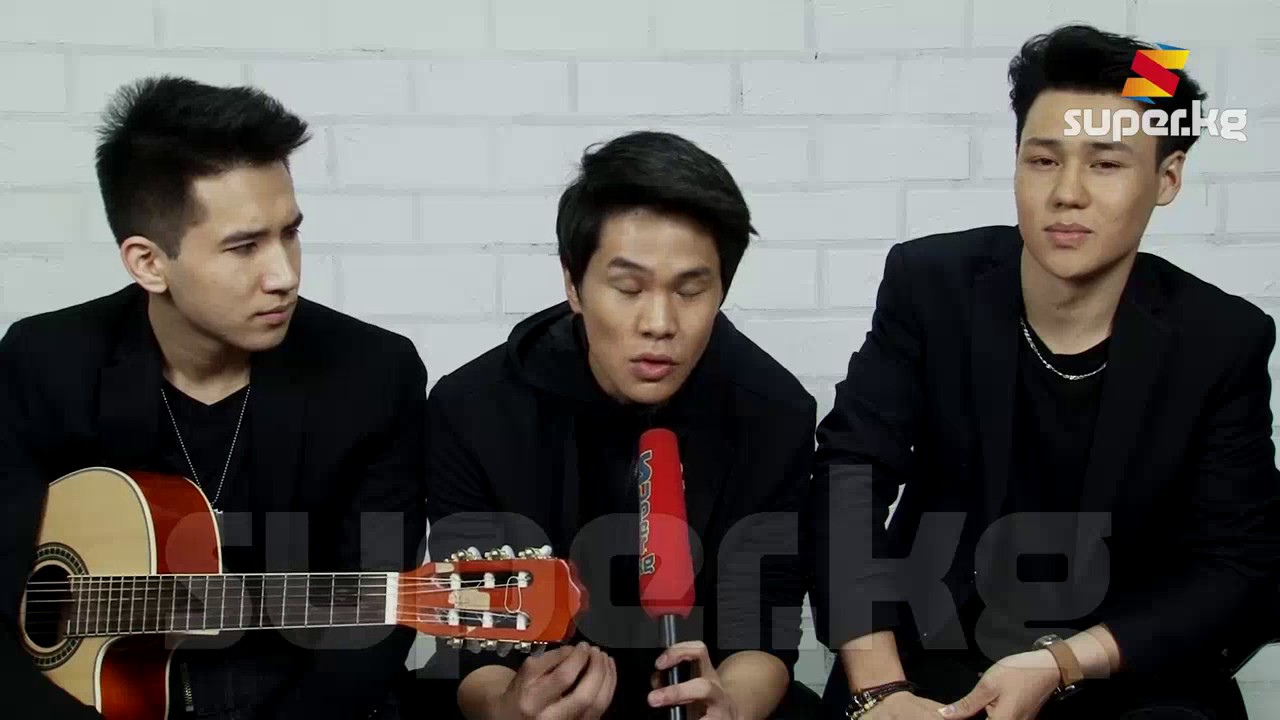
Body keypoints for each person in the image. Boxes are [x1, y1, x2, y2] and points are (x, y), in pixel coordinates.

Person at [812, 25, 1280, 720]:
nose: (1067, 192)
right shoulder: (931, 286)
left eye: (1106, 163)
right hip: (934, 653)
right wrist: (879, 686)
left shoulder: (1221, 340)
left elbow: (1239, 565)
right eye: (1043, 160)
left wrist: (1065, 660)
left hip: (1126, 666)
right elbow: (848, 476)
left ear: (1168, 178)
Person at [0, 76, 427, 719]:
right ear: (149, 263)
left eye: (290, 233)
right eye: (244, 246)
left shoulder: (372, 374)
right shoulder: (45, 364)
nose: (283, 274)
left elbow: (374, 618)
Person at [423, 130, 818, 719]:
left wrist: (730, 706)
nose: (659, 322)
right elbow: (473, 648)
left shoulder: (774, 411)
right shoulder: (473, 410)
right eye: (628, 288)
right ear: (573, 284)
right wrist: (509, 707)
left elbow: (763, 633)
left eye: (691, 290)